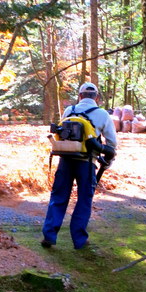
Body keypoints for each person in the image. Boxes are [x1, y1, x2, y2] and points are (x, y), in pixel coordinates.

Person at [41, 82, 117, 250]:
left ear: (80, 96)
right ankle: (79, 240)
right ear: (97, 97)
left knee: (59, 197)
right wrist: (108, 161)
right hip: (87, 162)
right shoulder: (102, 114)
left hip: (66, 160)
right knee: (84, 200)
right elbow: (112, 143)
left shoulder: (70, 111)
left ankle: (49, 235)